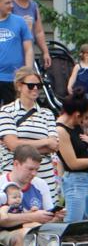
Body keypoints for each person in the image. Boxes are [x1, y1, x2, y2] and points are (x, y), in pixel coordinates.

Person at [0, 144, 61, 246]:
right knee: (25, 235)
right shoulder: (2, 183)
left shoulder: (40, 184)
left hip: (36, 231)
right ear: (16, 164)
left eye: (37, 170)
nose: (34, 173)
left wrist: (55, 217)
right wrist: (32, 216)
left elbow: (47, 217)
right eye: (30, 169)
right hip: (5, 233)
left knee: (61, 233)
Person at [0, 66, 57, 202]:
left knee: (48, 214)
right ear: (19, 86)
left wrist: (21, 143)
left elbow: (54, 145)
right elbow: (13, 145)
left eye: (39, 85)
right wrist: (45, 142)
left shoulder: (47, 113)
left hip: (44, 173)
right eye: (31, 86)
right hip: (15, 177)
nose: (35, 89)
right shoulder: (6, 112)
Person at [56, 88, 88, 223]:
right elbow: (72, 163)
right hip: (76, 182)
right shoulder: (61, 131)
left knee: (87, 222)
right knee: (73, 223)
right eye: (84, 117)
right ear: (77, 115)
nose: (85, 121)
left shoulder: (75, 124)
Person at [0, 0, 32, 105]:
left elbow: (28, 48)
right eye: (7, 3)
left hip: (14, 78)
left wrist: (28, 71)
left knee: (14, 113)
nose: (11, 6)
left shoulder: (19, 22)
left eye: (12, 2)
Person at [10, 0, 47, 70]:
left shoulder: (34, 6)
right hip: (13, 53)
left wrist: (45, 52)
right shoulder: (10, 5)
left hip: (28, 53)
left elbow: (38, 32)